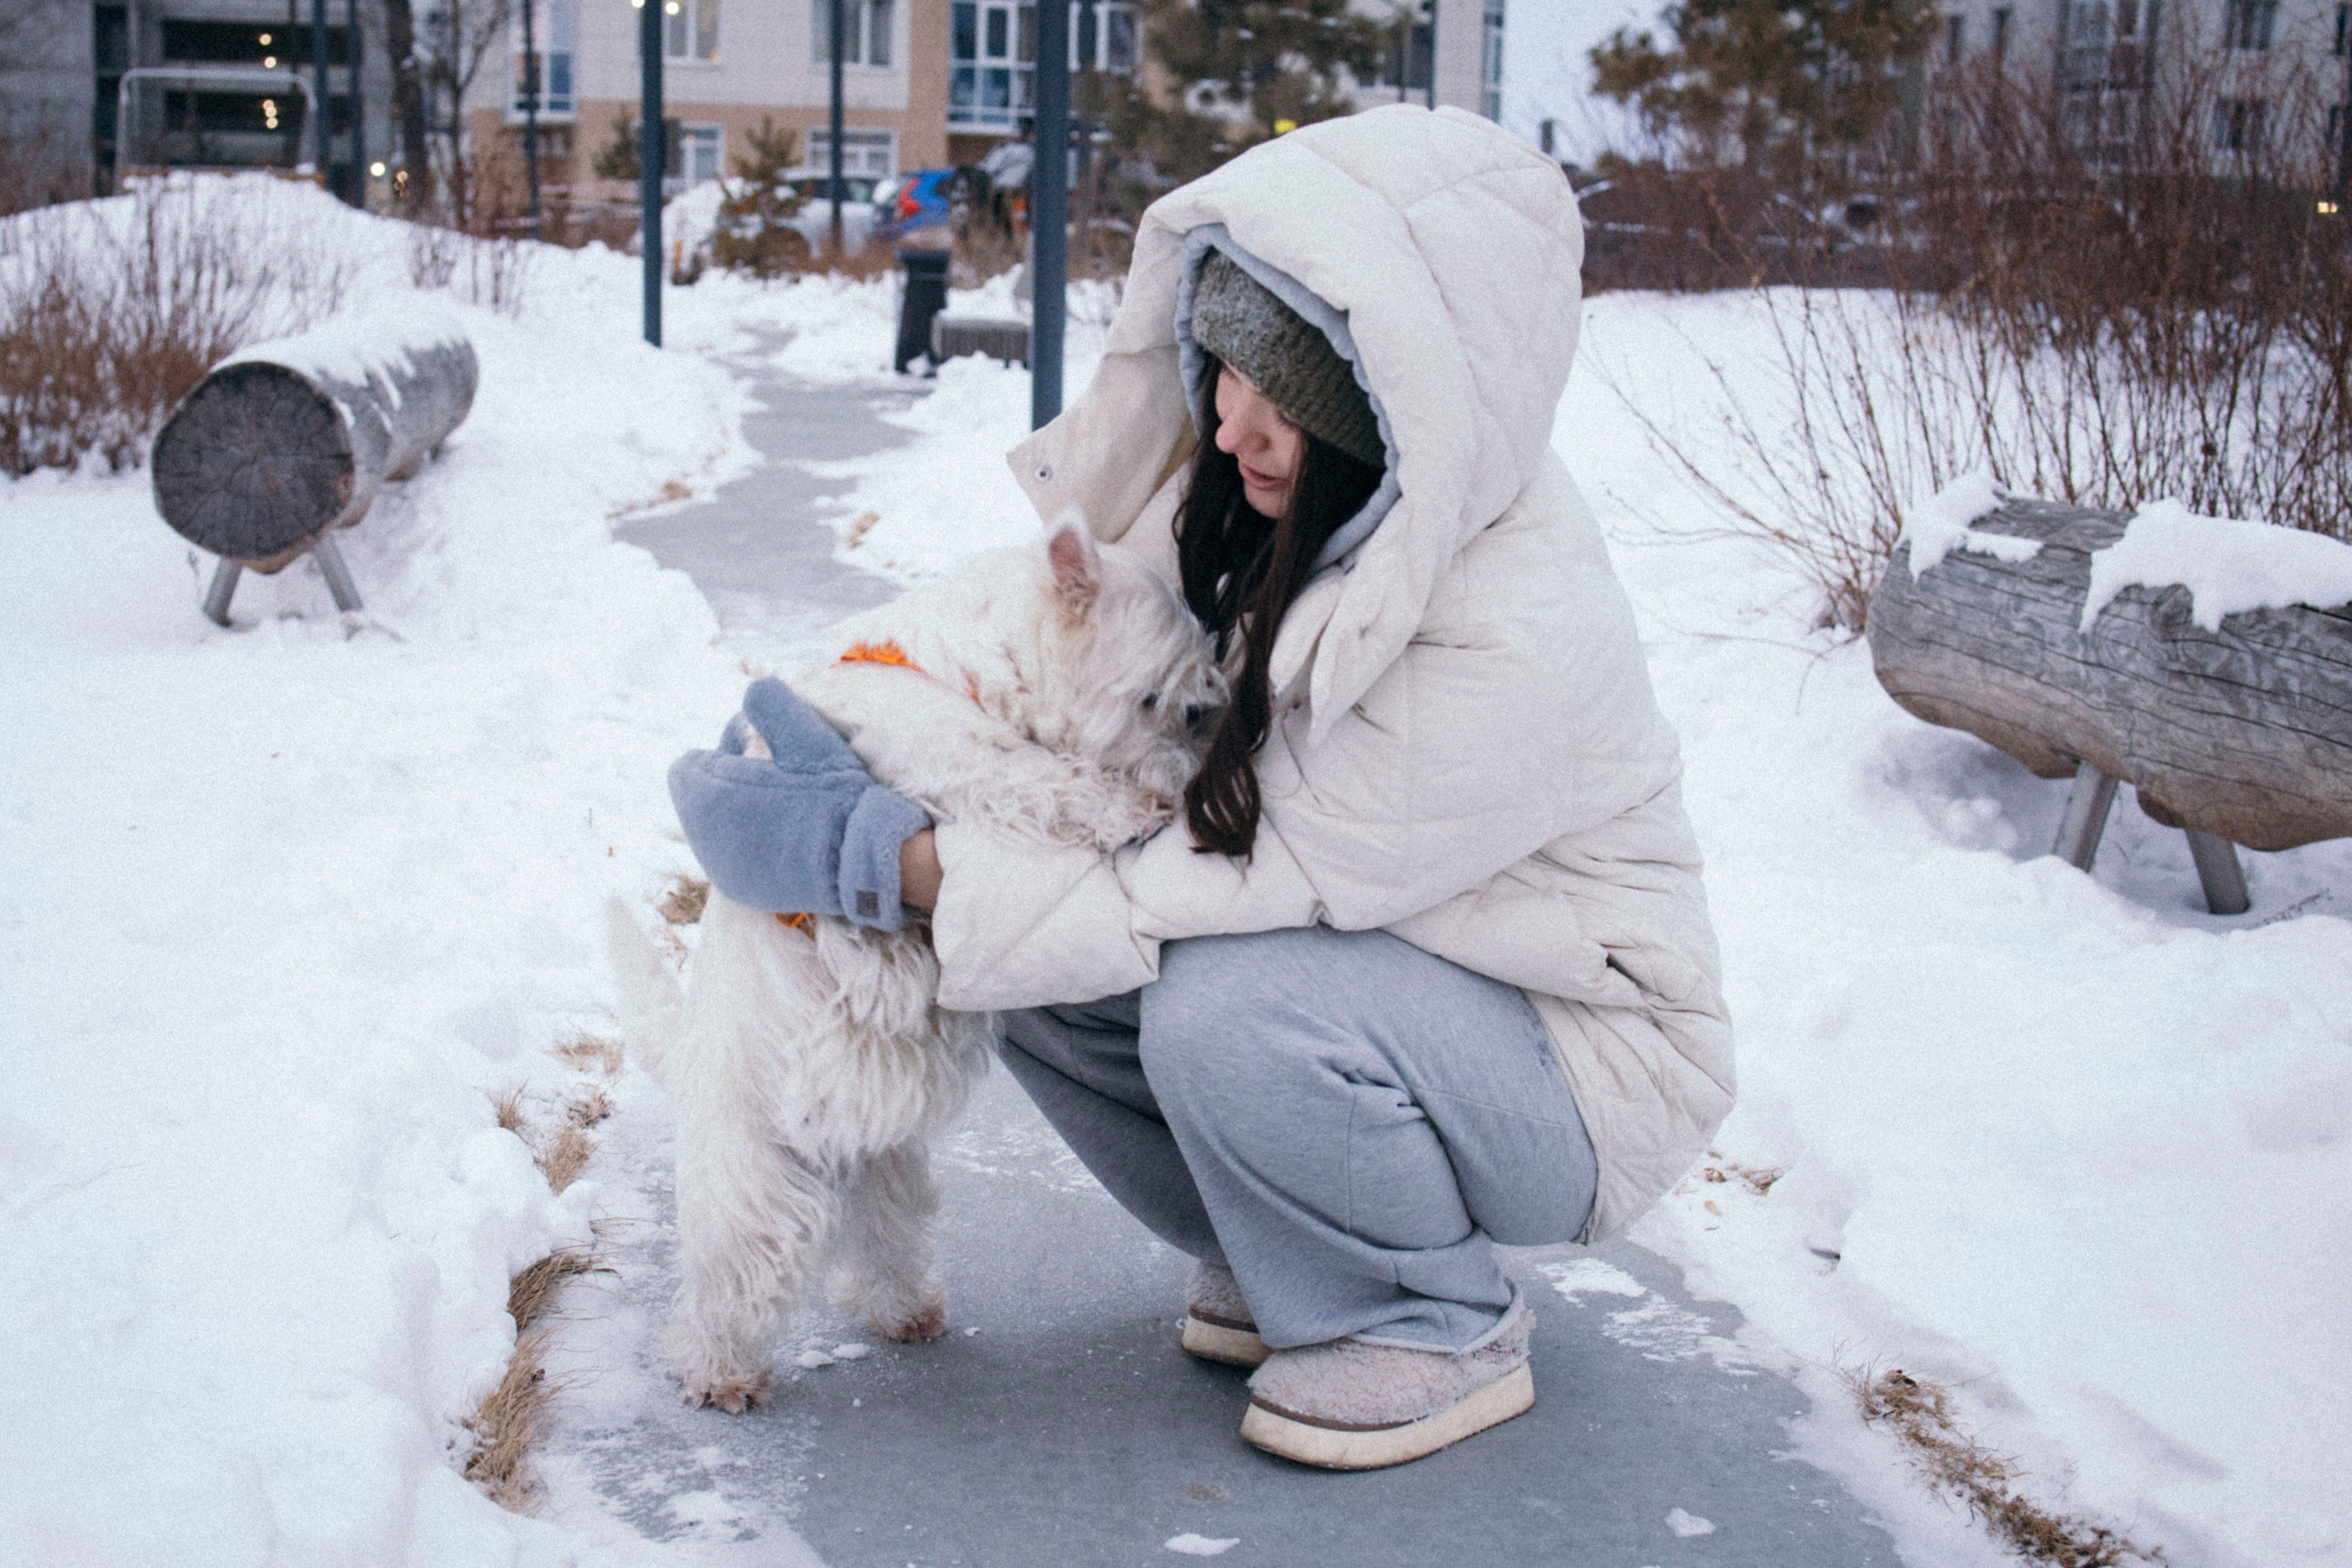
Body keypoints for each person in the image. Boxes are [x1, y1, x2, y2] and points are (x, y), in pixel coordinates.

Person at [669, 106, 1733, 1472]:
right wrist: (828, 733)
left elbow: (1236, 878)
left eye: (1283, 392)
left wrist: (885, 865)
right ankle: (1294, 1252)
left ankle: (1432, 1315)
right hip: (1397, 983)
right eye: (1222, 372)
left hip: (1577, 1065)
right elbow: (1072, 669)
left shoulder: (1510, 623)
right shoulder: (1268, 503)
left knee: (1217, 996)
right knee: (1037, 972)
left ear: (1389, 393)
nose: (1235, 426)